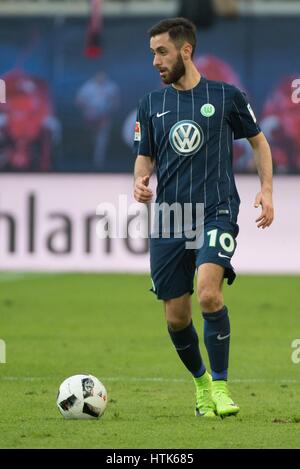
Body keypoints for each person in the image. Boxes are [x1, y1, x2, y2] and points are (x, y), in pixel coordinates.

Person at [133, 17, 274, 418]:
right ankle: (201, 386)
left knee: (210, 293)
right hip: (170, 218)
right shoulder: (151, 103)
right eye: (152, 54)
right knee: (177, 317)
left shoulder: (226, 96)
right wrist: (139, 185)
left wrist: (265, 190)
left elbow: (259, 143)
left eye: (162, 52)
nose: (156, 61)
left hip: (217, 210)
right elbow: (144, 158)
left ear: (186, 50)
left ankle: (223, 386)